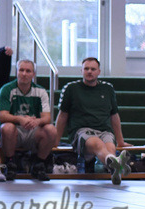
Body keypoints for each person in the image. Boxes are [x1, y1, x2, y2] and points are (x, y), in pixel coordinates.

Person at [55, 57, 133, 185]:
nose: (89, 71)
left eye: (93, 69)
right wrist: (55, 141)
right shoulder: (71, 88)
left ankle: (115, 168)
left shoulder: (108, 88)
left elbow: (114, 115)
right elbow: (62, 116)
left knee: (110, 147)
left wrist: (121, 141)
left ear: (99, 71)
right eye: (86, 69)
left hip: (104, 130)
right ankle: (116, 164)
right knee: (98, 144)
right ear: (81, 71)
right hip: (82, 131)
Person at [0, 59, 59, 181]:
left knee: (51, 130)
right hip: (13, 131)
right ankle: (11, 164)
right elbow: (2, 116)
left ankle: (39, 165)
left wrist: (37, 121)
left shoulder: (40, 91)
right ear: (17, 72)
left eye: (28, 71)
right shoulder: (7, 89)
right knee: (7, 127)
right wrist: (20, 119)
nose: (24, 74)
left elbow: (47, 118)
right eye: (21, 70)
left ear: (33, 74)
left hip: (32, 130)